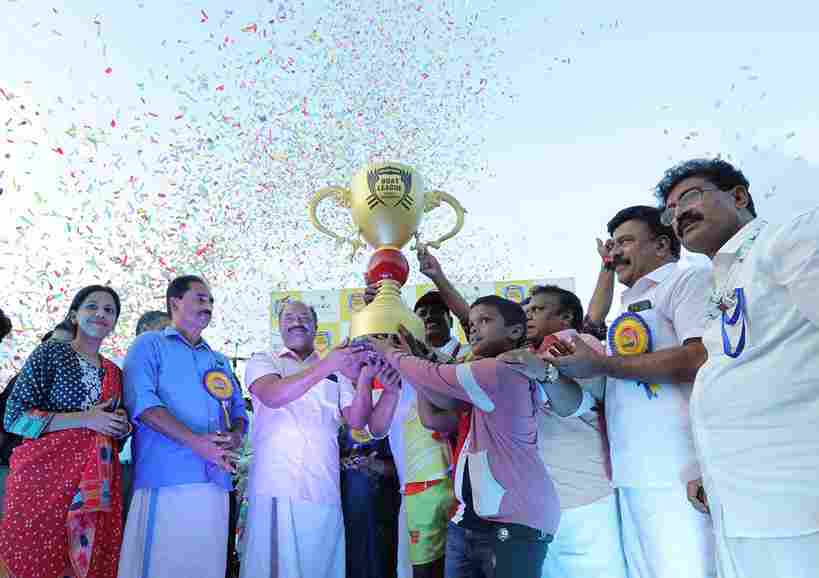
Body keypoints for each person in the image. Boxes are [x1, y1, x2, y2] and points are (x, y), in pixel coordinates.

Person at [656, 158, 819, 578]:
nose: (679, 215)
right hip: (738, 501)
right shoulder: (724, 278)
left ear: (740, 197)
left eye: (689, 197)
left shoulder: (787, 239)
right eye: (670, 211)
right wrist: (707, 467)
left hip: (796, 499)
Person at [544, 206, 716, 578]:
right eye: (612, 245)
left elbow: (699, 356)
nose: (616, 252)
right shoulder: (626, 305)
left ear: (662, 245)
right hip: (632, 473)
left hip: (678, 471)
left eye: (625, 242)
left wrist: (601, 365)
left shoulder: (687, 280)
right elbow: (595, 332)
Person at [368, 295, 588, 578]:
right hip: (470, 520)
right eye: (471, 324)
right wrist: (416, 360)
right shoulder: (487, 376)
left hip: (514, 519)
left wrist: (393, 354)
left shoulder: (500, 370)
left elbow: (434, 376)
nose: (473, 329)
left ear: (515, 331)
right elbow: (435, 411)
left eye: (484, 321)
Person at [239, 300, 391, 578]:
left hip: (323, 488)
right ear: (279, 326)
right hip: (276, 486)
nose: (297, 322)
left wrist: (365, 376)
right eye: (289, 317)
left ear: (316, 326)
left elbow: (357, 420)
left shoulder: (337, 370)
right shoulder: (264, 360)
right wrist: (328, 364)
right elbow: (273, 395)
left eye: (304, 317)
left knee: (320, 567)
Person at [118, 275, 248, 578]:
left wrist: (236, 435)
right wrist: (197, 443)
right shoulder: (149, 345)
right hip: (166, 478)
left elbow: (239, 411)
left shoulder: (218, 359)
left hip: (216, 481)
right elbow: (142, 404)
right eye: (200, 298)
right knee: (162, 567)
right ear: (174, 302)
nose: (208, 306)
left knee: (207, 567)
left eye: (211, 301)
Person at [0, 285, 130, 578]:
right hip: (43, 479)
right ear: (74, 315)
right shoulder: (50, 353)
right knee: (38, 562)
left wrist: (121, 425)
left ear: (114, 323)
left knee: (84, 564)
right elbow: (15, 418)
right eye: (92, 306)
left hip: (94, 485)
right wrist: (85, 418)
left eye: (109, 310)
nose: (100, 313)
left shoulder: (114, 372)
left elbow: (115, 435)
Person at [523, 285, 628, 578]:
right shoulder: (530, 354)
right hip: (548, 500)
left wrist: (546, 371)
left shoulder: (579, 346)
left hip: (584, 494)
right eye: (527, 310)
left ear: (566, 317)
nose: (528, 315)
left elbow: (578, 402)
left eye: (537, 309)